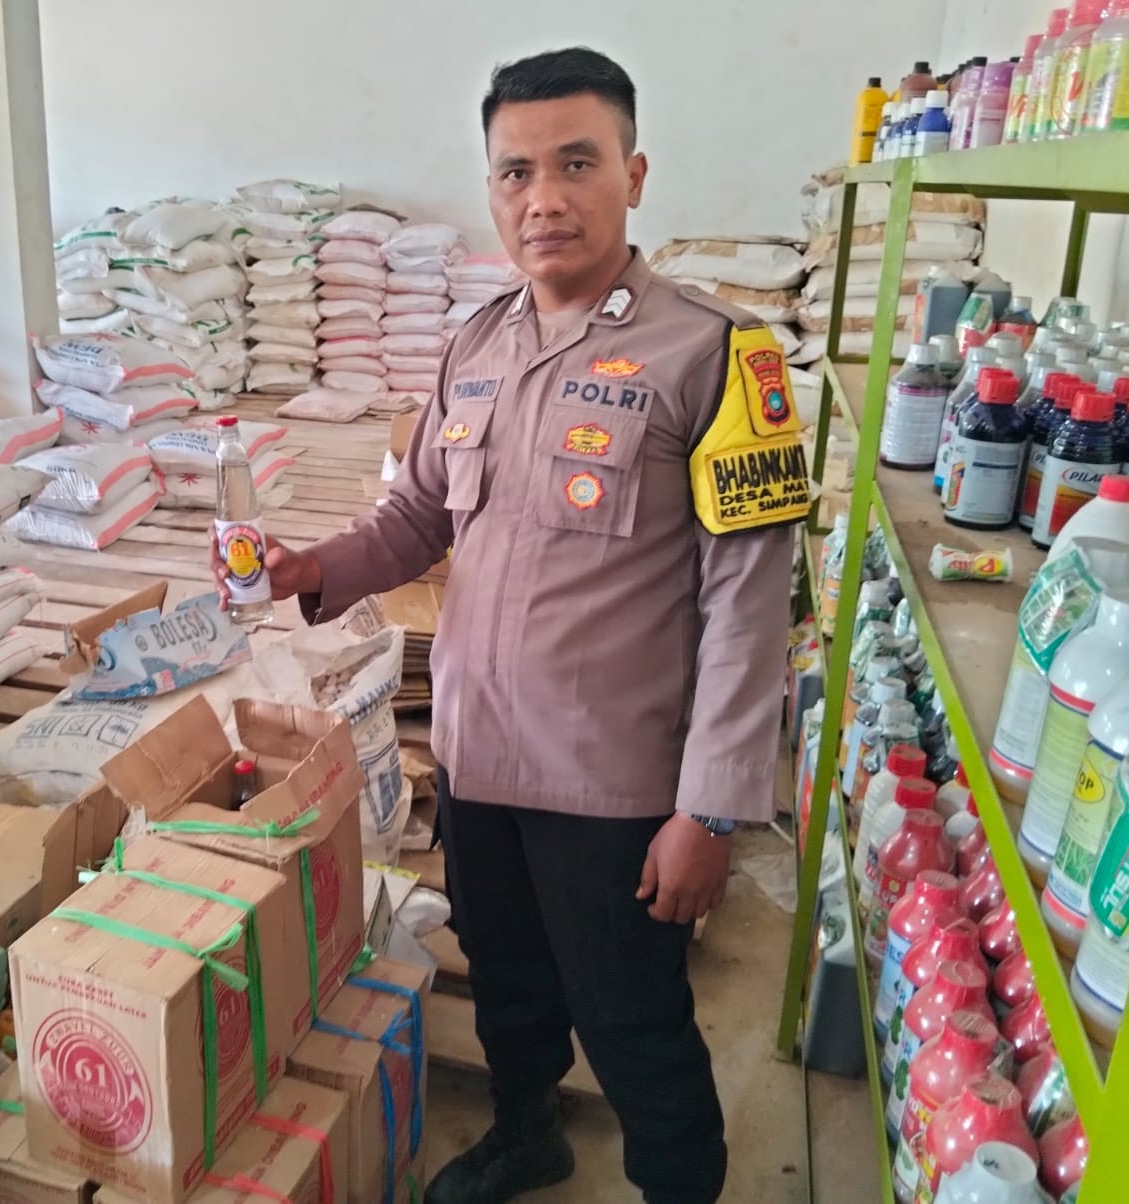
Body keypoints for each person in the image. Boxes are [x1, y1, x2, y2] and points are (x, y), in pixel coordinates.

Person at [212, 46, 807, 1204]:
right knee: (506, 982)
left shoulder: (716, 355)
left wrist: (709, 808)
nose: (543, 198)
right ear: (491, 187)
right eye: (515, 172)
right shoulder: (476, 346)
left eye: (576, 164)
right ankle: (527, 1132)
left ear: (633, 174)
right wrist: (308, 567)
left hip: (612, 784)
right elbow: (416, 517)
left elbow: (747, 604)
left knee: (634, 1020)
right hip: (477, 756)